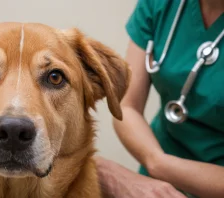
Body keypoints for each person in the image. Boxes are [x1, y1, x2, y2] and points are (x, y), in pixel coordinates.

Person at [96, 0, 224, 197]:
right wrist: (154, 162)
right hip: (154, 171)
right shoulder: (160, 4)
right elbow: (128, 106)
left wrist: (161, 167)